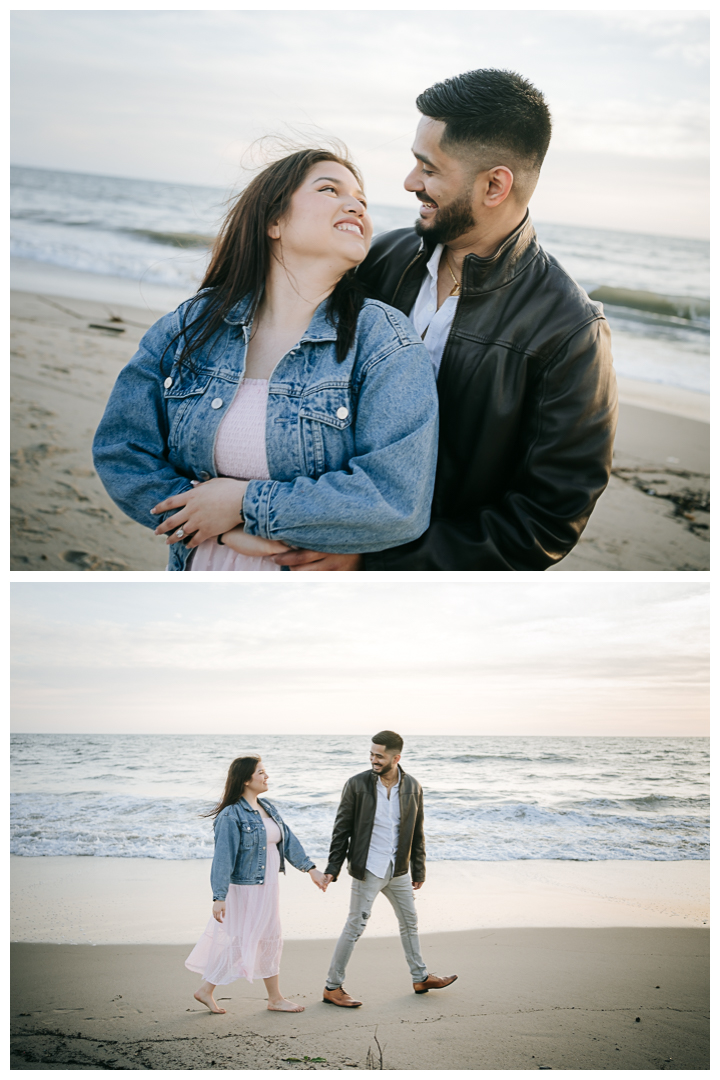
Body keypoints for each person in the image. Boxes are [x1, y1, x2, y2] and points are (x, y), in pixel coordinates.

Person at [273, 69, 619, 572]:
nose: (410, 182)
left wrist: (373, 559)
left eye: (428, 168)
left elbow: (544, 522)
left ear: (494, 185)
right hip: (298, 550)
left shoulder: (570, 332)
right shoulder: (378, 260)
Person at [92, 147, 438, 571]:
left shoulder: (383, 339)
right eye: (329, 189)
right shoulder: (191, 324)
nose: (356, 205)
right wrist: (217, 526)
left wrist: (244, 505)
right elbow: (121, 450)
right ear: (273, 221)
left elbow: (396, 501)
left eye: (362, 201)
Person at [321, 731, 457, 1006]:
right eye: (371, 754)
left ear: (396, 758)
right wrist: (332, 868)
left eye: (379, 756)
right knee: (355, 926)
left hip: (398, 870)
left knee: (410, 923)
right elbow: (341, 829)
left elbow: (417, 832)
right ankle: (332, 987)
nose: (373, 759)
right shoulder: (357, 784)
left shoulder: (412, 787)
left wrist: (418, 870)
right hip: (368, 867)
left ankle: (420, 977)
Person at [186, 755, 327, 1013]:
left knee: (266, 937)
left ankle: (213, 990)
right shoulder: (231, 815)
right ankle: (266, 998)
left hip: (268, 886)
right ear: (246, 779)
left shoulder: (268, 807)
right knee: (254, 938)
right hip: (247, 888)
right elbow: (223, 858)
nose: (266, 776)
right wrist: (219, 896)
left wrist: (311, 870)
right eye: (261, 772)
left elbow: (289, 840)